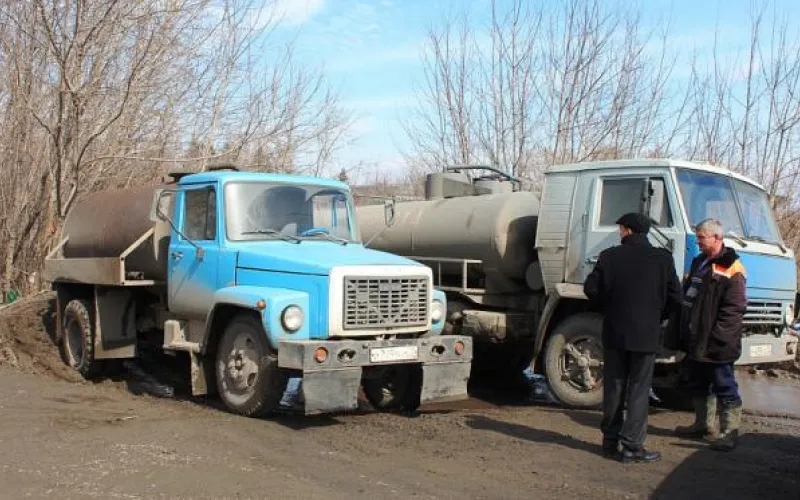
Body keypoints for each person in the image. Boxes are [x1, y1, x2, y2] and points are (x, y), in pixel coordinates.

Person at [584, 212, 682, 463]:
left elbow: (590, 289)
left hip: (615, 332)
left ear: (627, 230)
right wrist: (657, 316)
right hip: (646, 334)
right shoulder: (663, 259)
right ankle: (632, 446)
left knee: (614, 387)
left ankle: (609, 443)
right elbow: (676, 298)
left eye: (620, 228)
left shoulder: (609, 256)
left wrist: (608, 308)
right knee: (639, 389)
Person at [674, 218, 746, 452]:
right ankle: (703, 425)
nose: (698, 242)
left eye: (701, 238)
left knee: (725, 385)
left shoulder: (732, 266)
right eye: (698, 237)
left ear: (717, 238)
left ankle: (729, 433)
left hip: (717, 342)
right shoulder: (700, 261)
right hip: (697, 338)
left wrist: (718, 337)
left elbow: (734, 309)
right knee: (699, 382)